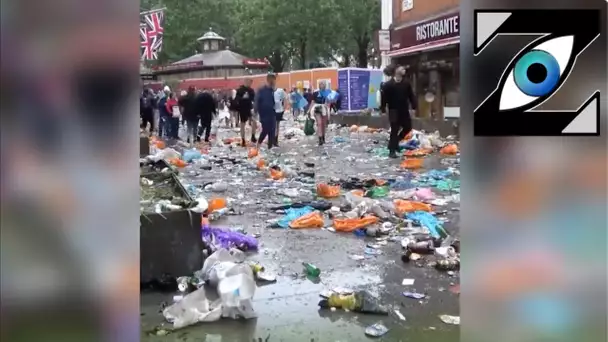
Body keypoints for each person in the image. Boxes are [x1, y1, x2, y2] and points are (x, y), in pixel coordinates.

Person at [381, 64, 417, 159]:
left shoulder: (406, 83)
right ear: (396, 70)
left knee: (408, 128)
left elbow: (411, 96)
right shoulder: (388, 85)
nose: (404, 69)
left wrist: (414, 106)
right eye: (402, 68)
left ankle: (395, 143)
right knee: (394, 130)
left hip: (404, 110)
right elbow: (384, 98)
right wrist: (383, 109)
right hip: (393, 110)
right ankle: (392, 151)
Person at [255, 73, 277, 150]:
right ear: (268, 80)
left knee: (272, 130)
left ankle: (270, 147)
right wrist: (256, 112)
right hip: (264, 114)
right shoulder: (262, 90)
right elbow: (257, 101)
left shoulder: (273, 90)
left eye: (274, 80)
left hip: (272, 113)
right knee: (266, 129)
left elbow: (275, 101)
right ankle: (258, 144)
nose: (273, 81)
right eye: (272, 80)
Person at [235, 79, 257, 146]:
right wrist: (243, 98)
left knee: (254, 121)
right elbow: (236, 99)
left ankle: (253, 136)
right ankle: (243, 139)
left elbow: (254, 99)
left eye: (251, 82)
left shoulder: (251, 90)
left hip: (250, 108)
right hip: (242, 109)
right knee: (242, 124)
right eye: (249, 82)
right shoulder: (239, 90)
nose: (249, 83)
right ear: (245, 82)